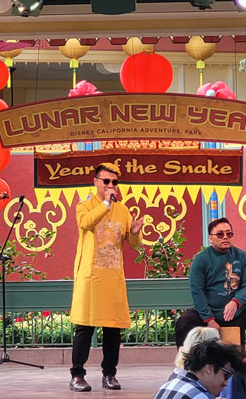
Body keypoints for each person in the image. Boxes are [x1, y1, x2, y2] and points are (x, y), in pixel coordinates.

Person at [69, 162, 144, 392]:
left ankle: (109, 374)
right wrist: (104, 203)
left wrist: (135, 232)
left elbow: (133, 244)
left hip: (113, 277)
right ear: (96, 182)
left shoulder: (122, 210)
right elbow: (85, 223)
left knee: (113, 329)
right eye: (107, 181)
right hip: (91, 277)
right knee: (85, 327)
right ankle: (77, 375)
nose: (111, 185)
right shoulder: (84, 206)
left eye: (115, 182)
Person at [175, 217, 246, 349]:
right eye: (220, 234)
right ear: (210, 238)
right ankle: (184, 365)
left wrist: (236, 302)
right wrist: (209, 319)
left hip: (237, 311)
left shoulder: (242, 256)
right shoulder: (200, 259)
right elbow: (197, 291)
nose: (225, 237)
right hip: (208, 313)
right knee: (184, 323)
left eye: (229, 233)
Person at [153, 340, 246, 399]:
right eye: (226, 375)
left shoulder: (169, 385)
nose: (226, 383)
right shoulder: (200, 396)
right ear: (208, 369)